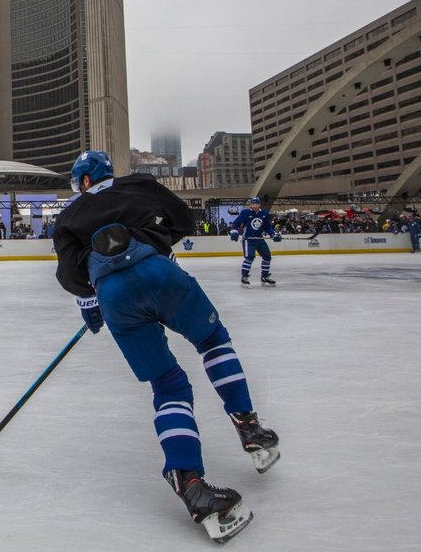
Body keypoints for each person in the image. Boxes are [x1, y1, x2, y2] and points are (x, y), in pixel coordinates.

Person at [53, 150, 278, 544]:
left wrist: (92, 300)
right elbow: (184, 220)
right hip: (160, 274)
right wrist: (156, 243)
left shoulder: (69, 217)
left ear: (84, 181)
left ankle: (189, 481)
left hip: (115, 298)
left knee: (168, 386)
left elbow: (71, 276)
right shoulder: (139, 184)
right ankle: (248, 426)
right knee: (212, 342)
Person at [229, 197, 282, 286]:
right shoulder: (245, 213)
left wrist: (273, 234)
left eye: (256, 204)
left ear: (259, 204)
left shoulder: (264, 213)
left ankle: (264, 276)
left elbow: (267, 227)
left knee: (267, 256)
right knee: (250, 257)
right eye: (253, 204)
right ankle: (244, 276)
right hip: (248, 240)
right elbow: (235, 223)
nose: (254, 206)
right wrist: (234, 232)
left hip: (259, 239)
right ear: (250, 205)